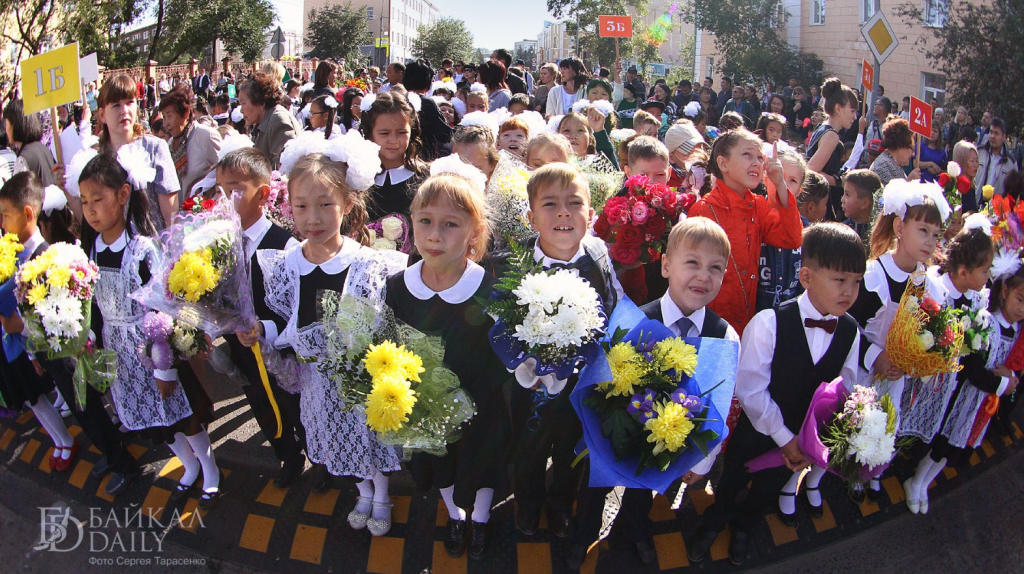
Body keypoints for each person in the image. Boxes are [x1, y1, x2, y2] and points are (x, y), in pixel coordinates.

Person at [688, 222, 865, 566]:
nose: (849, 291)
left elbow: (844, 388)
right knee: (732, 480)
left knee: (768, 490)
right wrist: (785, 438)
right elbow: (750, 390)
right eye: (840, 279)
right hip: (758, 432)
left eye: (856, 281)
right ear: (807, 276)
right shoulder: (769, 322)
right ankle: (714, 521)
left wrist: (816, 440)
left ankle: (745, 528)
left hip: (802, 442)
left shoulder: (850, 332)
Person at [567, 217, 739, 570]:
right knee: (594, 488)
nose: (703, 276)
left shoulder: (724, 336)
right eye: (692, 262)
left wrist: (702, 460)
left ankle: (631, 531)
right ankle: (583, 534)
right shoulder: (633, 321)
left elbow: (718, 404)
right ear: (666, 265)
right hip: (613, 433)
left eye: (715, 268)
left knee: (644, 493)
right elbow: (600, 383)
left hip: (666, 442)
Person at [258, 143, 402, 536]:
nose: (313, 218)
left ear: (348, 203)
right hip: (318, 384)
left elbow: (384, 328)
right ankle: (363, 492)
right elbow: (287, 323)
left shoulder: (367, 264)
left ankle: (382, 495)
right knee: (338, 440)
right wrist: (260, 331)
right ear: (288, 206)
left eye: (325, 205)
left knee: (371, 440)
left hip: (362, 380)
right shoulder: (287, 264)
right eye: (301, 206)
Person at [485, 162, 623, 540]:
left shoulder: (598, 259)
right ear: (531, 218)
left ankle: (561, 504)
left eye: (574, 203)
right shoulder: (511, 265)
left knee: (570, 450)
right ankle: (528, 504)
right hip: (529, 386)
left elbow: (612, 308)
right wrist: (523, 369)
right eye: (550, 204)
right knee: (528, 449)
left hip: (581, 385)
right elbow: (498, 322)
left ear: (590, 215)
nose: (563, 212)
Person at [77, 152, 221, 507]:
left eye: (98, 199)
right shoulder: (92, 249)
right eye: (84, 202)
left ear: (122, 195)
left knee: (182, 415)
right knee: (157, 423)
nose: (91, 210)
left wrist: (165, 368)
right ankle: (188, 465)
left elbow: (164, 310)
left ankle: (209, 468)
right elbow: (94, 304)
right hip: (120, 353)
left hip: (151, 350)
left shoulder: (142, 250)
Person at [389, 158, 510, 559]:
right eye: (425, 221)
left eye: (450, 224)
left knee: (482, 463)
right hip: (426, 408)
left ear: (474, 232)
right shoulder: (397, 288)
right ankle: (455, 515)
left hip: (482, 405)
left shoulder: (491, 290)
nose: (434, 235)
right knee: (436, 462)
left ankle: (481, 518)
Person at [846, 178, 950, 500]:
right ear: (900, 227)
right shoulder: (873, 277)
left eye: (936, 234)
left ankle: (874, 469)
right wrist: (875, 356)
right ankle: (852, 473)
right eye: (923, 230)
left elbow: (925, 335)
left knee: (886, 425)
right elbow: (847, 326)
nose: (930, 242)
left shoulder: (928, 286)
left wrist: (916, 359)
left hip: (895, 378)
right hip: (861, 370)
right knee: (856, 423)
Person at [902, 225, 1001, 515]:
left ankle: (919, 482)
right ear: (964, 272)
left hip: (955, 388)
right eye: (984, 271)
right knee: (908, 432)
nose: (988, 278)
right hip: (923, 382)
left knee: (943, 439)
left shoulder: (977, 300)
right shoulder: (936, 289)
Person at [688, 129, 803, 334]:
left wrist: (779, 184)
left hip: (746, 321)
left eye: (760, 157)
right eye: (747, 155)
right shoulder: (704, 210)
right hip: (709, 322)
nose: (757, 163)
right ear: (723, 164)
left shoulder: (758, 206)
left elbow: (791, 238)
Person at [0, 173, 77, 474]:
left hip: (23, 335)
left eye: (5, 215)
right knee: (31, 399)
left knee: (36, 393)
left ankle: (66, 439)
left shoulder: (24, 251)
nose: (3, 222)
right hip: (10, 339)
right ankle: (59, 439)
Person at [92, 74, 180, 230]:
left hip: (153, 241)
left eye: (129, 102)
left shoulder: (155, 148)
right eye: (116, 105)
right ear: (102, 115)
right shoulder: (96, 157)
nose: (124, 111)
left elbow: (171, 215)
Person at [756, 151, 817, 313]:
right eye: (778, 174)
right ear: (765, 178)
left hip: (790, 311)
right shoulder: (752, 216)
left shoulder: (805, 229)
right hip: (753, 309)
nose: (782, 183)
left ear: (799, 190)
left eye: (792, 180)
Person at [361, 91, 427, 224]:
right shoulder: (358, 180)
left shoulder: (425, 178)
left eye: (402, 132)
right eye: (384, 133)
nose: (394, 140)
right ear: (369, 134)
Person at [807, 78, 860, 221]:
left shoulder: (822, 128)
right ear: (838, 109)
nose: (855, 117)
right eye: (852, 111)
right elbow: (810, 171)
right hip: (819, 204)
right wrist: (839, 180)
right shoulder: (831, 135)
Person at [159, 83, 223, 201]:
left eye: (169, 116)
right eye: (164, 117)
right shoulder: (170, 144)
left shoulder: (206, 136)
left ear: (186, 113)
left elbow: (223, 175)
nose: (166, 123)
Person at [238, 73, 302, 169]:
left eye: (243, 103)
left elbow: (283, 169)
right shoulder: (264, 121)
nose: (241, 110)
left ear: (261, 102)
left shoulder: (278, 120)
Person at [2, 99, 56, 187]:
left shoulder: (24, 158)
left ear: (15, 125)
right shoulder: (43, 148)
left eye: (7, 124)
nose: (6, 130)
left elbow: (19, 192)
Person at [841, 168, 883, 251]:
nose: (842, 199)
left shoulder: (880, 233)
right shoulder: (843, 232)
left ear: (864, 203)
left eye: (847, 195)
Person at [871, 118, 921, 186]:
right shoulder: (882, 166)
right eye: (911, 148)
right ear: (901, 145)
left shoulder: (893, 163)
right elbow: (887, 192)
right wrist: (909, 181)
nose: (913, 154)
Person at [976, 117, 1014, 197]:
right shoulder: (979, 152)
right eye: (991, 132)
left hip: (996, 203)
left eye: (996, 133)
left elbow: (1013, 188)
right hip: (976, 200)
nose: (992, 136)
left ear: (1004, 136)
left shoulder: (1011, 162)